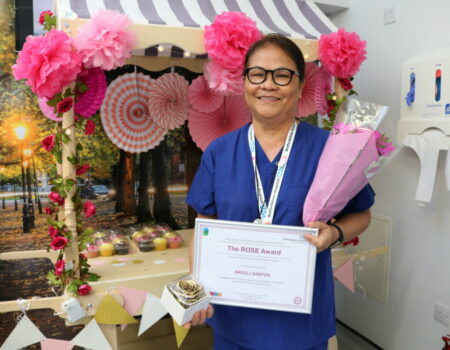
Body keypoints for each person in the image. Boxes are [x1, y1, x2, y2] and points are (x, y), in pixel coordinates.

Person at [185, 34, 374, 350]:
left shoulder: (330, 149)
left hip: (301, 322)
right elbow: (204, 225)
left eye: (282, 75)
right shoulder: (219, 151)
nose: (268, 85)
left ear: (300, 86)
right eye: (257, 74)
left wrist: (335, 233)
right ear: (244, 83)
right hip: (234, 317)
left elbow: (363, 214)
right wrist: (196, 288)